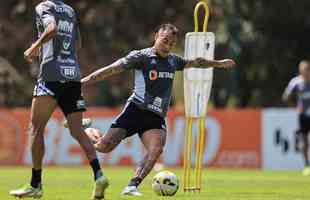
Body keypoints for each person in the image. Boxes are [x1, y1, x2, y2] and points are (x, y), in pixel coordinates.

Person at [78, 23, 235, 196]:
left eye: (171, 43)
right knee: (103, 147)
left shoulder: (173, 61)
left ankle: (132, 186)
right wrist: (82, 83)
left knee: (156, 149)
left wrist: (218, 63)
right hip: (135, 111)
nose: (167, 46)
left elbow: (196, 62)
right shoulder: (140, 57)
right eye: (165, 40)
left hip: (155, 117)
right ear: (156, 36)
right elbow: (111, 70)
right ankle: (85, 128)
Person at [9, 1, 108, 199]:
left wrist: (34, 47)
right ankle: (99, 175)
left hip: (51, 76)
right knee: (78, 130)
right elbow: (77, 43)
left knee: (36, 129)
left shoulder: (44, 6)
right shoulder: (70, 10)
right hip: (72, 75)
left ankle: (35, 185)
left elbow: (52, 28)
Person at [283, 60, 310, 176]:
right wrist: (295, 106)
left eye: (307, 69)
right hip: (303, 115)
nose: (305, 72)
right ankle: (307, 166)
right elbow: (286, 96)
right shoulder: (296, 82)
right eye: (303, 70)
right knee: (304, 141)